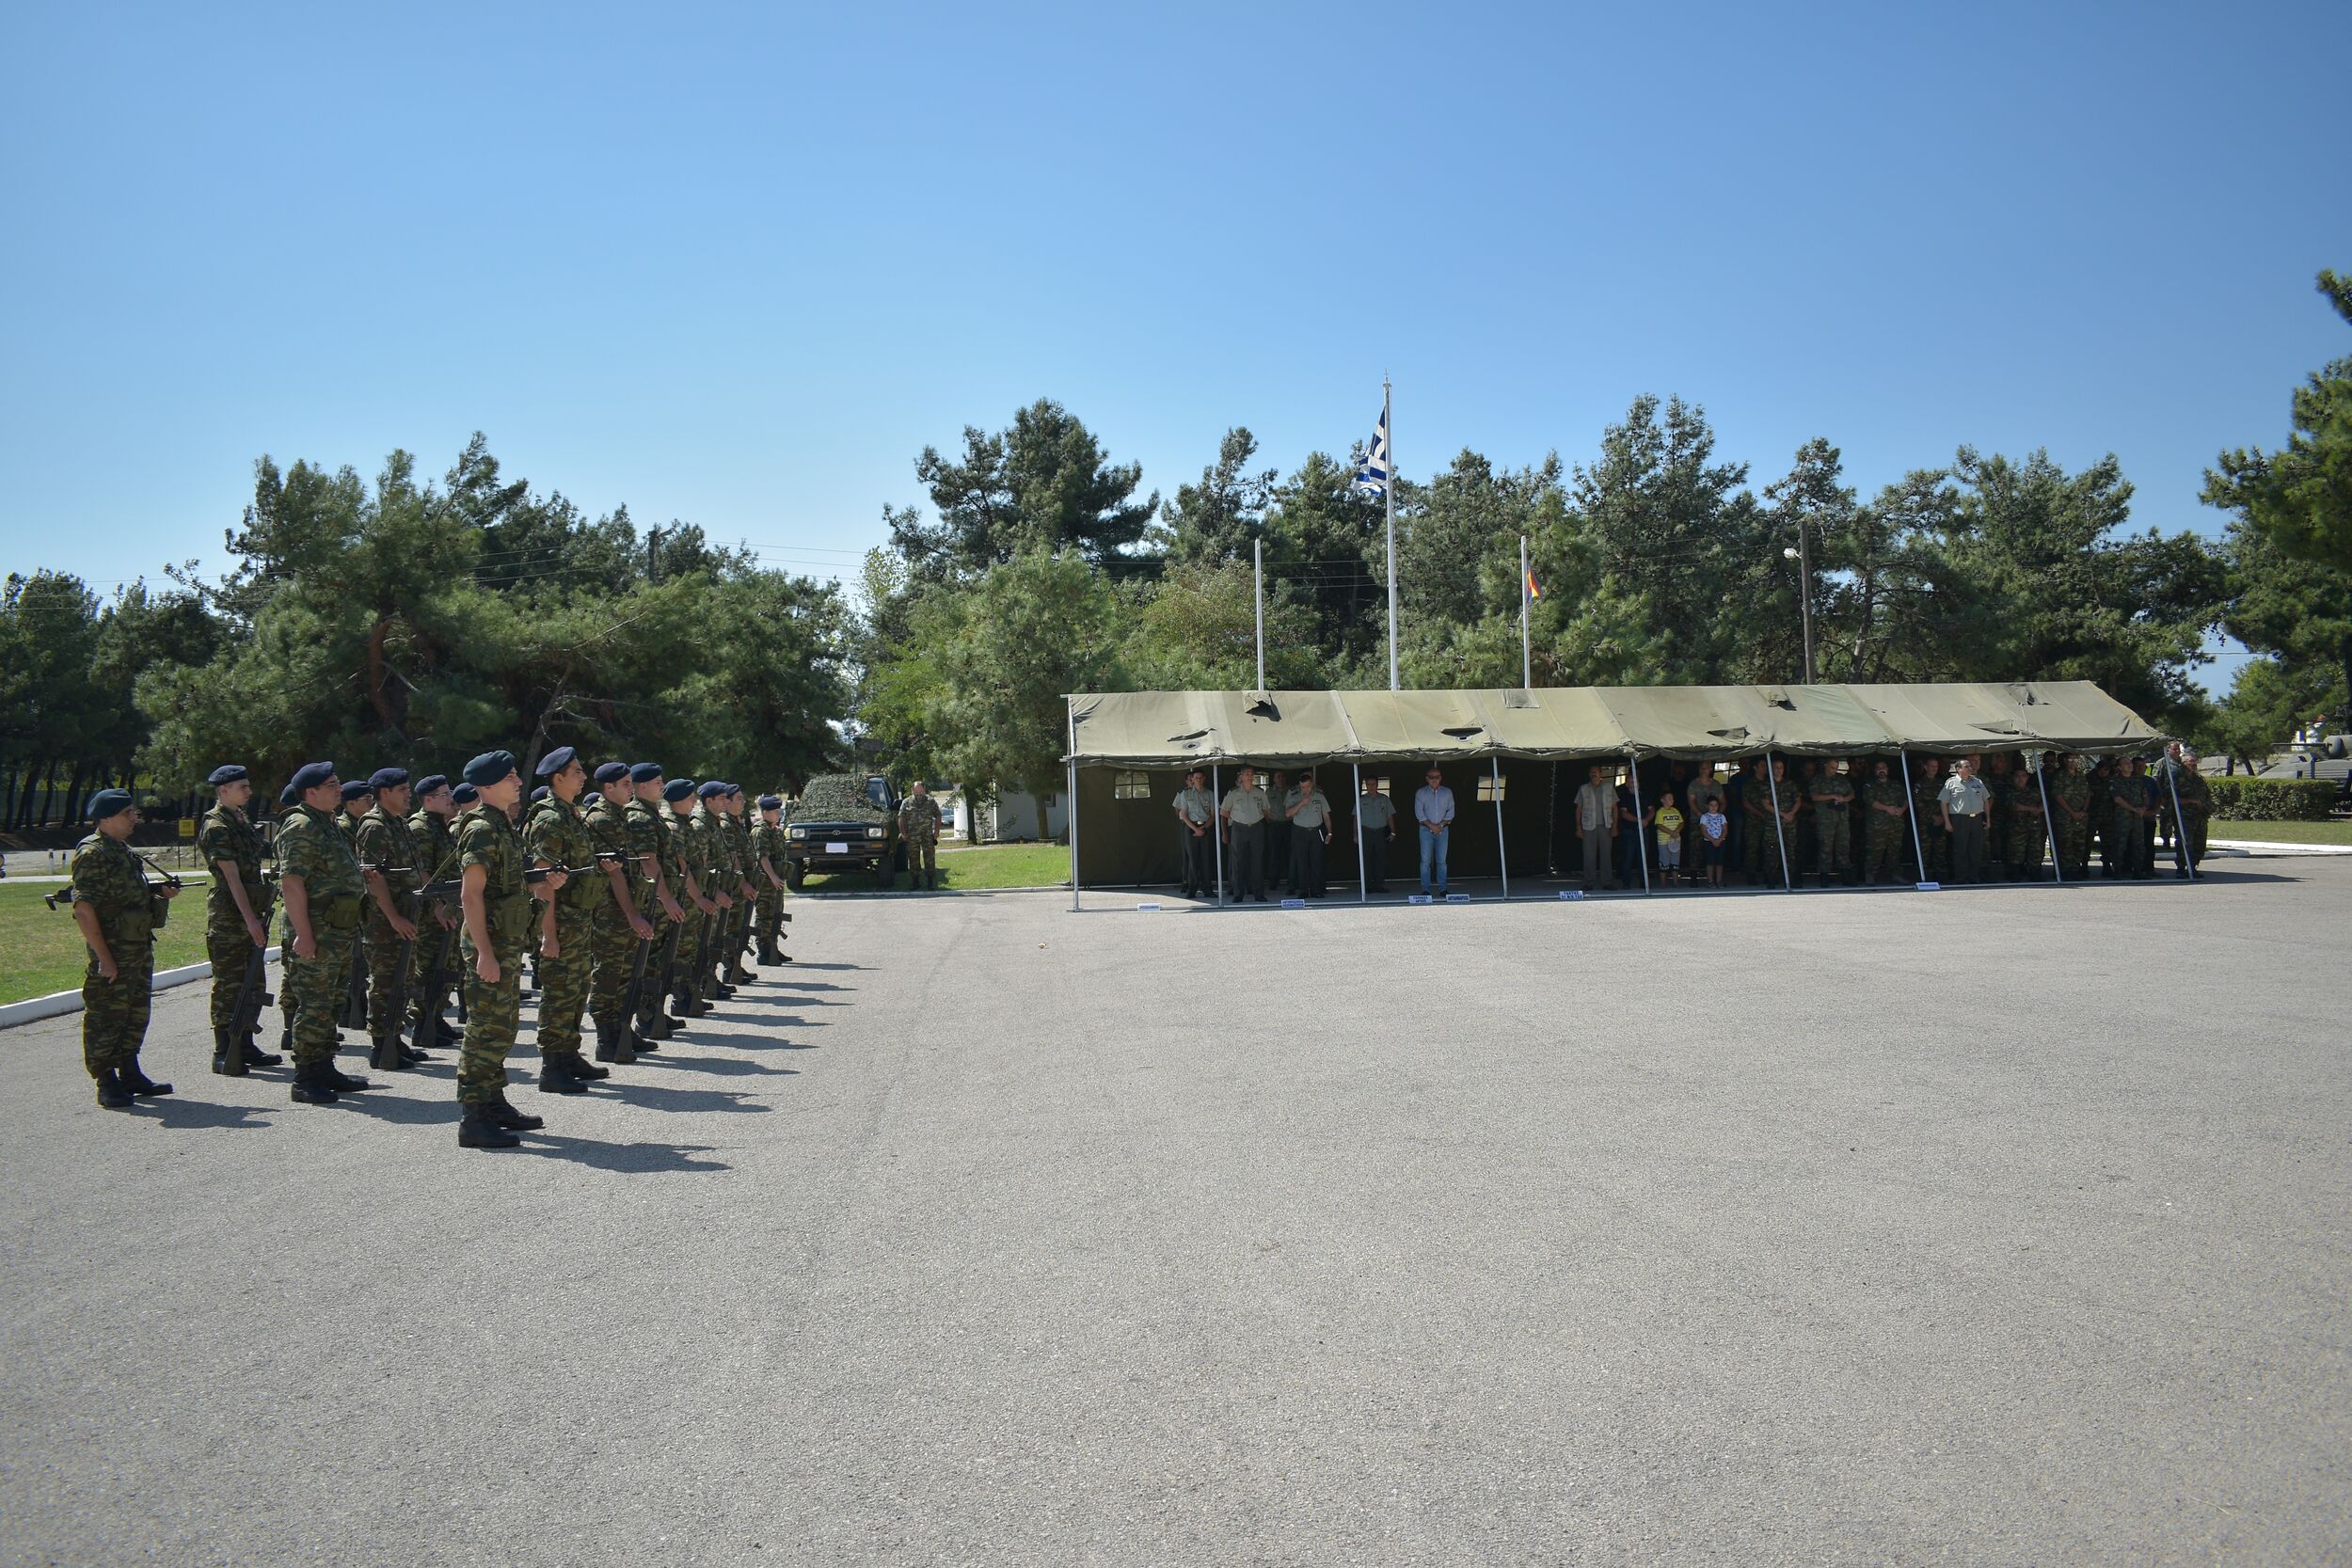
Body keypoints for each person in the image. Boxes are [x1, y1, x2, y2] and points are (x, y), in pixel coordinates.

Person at [452, 751, 558, 1148]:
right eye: (509, 776)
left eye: (516, 774)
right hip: (491, 943)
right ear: (487, 786)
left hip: (506, 940)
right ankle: (473, 1117)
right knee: (485, 1029)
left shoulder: (503, 824)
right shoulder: (481, 827)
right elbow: (471, 894)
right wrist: (484, 953)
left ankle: (493, 1102)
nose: (517, 781)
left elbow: (508, 884)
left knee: (503, 1026)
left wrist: (546, 882)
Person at [69, 789, 180, 1108]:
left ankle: (130, 1071)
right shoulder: (93, 854)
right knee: (106, 1016)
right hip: (113, 951)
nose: (135, 818)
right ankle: (106, 1080)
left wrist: (160, 894)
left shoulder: (124, 852)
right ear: (105, 819)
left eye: (134, 812)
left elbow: (129, 897)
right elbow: (84, 910)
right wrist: (104, 958)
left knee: (135, 1013)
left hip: (137, 948)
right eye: (127, 813)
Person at [276, 762, 375, 1104]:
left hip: (338, 930)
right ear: (311, 792)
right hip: (316, 931)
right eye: (332, 784)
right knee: (314, 1004)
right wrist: (303, 934)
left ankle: (324, 1066)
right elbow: (292, 883)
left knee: (332, 1002)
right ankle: (305, 1077)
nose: (339, 789)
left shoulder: (327, 823)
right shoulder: (301, 825)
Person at [198, 763, 280, 1074]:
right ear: (223, 791)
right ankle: (224, 1049)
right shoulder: (217, 825)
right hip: (230, 917)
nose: (248, 790)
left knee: (253, 980)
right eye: (241, 786)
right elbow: (231, 878)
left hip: (249, 910)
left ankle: (245, 1043)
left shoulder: (240, 819)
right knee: (230, 984)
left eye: (248, 785)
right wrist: (250, 921)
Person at [353, 767, 427, 1072]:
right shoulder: (374, 826)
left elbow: (417, 869)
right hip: (386, 921)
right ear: (384, 794)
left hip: (407, 913)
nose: (409, 794)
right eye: (402, 790)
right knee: (385, 982)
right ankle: (380, 1044)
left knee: (403, 979)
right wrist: (394, 916)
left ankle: (394, 1039)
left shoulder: (399, 823)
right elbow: (373, 878)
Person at [585, 761, 657, 1062]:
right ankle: (606, 1037)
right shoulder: (602, 819)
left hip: (624, 904)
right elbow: (614, 874)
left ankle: (621, 1029)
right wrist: (632, 915)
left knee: (625, 971)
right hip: (609, 910)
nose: (631, 788)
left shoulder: (619, 815)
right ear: (608, 787)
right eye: (626, 784)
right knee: (609, 974)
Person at [405, 774, 464, 1050]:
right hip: (431, 912)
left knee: (446, 965)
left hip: (447, 906)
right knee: (429, 967)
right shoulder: (420, 827)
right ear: (428, 799)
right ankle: (422, 1021)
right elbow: (422, 872)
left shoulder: (439, 824)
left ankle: (436, 1016)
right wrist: (438, 904)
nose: (450, 798)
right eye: (444, 794)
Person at [1219, 766, 1272, 902]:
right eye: (1247, 774)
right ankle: (1238, 893)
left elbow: (1266, 811)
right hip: (1239, 829)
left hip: (1256, 828)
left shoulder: (1260, 793)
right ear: (1241, 777)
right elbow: (1224, 813)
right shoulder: (1233, 793)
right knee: (1238, 862)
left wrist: (1263, 826)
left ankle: (1258, 893)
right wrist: (1225, 833)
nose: (1249, 776)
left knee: (1257, 861)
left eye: (1251, 774)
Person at [750, 794, 791, 962]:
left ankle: (773, 947)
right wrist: (773, 877)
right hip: (766, 881)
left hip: (777, 880)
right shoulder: (761, 830)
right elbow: (762, 857)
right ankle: (764, 950)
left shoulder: (775, 830)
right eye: (775, 811)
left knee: (775, 915)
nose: (778, 814)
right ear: (765, 812)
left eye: (778, 811)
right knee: (765, 914)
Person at [1938, 756, 1992, 884]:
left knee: (1976, 849)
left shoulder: (1978, 782)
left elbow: (1986, 801)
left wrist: (1988, 819)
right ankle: (1961, 878)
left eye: (1970, 766)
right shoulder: (1951, 783)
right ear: (1958, 769)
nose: (1970, 768)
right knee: (1960, 849)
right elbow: (1943, 803)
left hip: (1976, 818)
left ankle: (1974, 877)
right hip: (1959, 819)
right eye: (1966, 766)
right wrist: (1947, 821)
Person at [1282, 768, 1333, 897]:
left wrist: (1330, 833)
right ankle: (1304, 890)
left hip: (1316, 832)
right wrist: (1300, 803)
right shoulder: (1294, 796)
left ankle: (1316, 890)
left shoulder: (1319, 796)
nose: (1305, 789)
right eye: (1303, 787)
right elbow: (1287, 813)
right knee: (1301, 862)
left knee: (1316, 861)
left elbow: (1326, 816)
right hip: (1300, 831)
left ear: (1312, 784)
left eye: (1308, 786)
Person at [1860, 758, 1910, 885]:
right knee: (1874, 851)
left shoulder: (1896, 785)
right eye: (1878, 768)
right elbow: (1871, 802)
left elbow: (1906, 799)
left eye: (1883, 767)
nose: (1881, 770)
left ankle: (1896, 875)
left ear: (1887, 770)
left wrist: (1902, 809)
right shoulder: (1869, 786)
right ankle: (1870, 875)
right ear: (1875, 771)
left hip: (1896, 824)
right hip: (1877, 826)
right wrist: (1888, 809)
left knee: (1895, 851)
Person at [1170, 768, 1216, 898]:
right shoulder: (1186, 794)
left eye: (1201, 778)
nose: (1198, 780)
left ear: (1204, 779)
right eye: (1196, 778)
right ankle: (1192, 889)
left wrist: (1204, 829)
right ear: (1192, 780)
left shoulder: (1210, 794)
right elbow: (1183, 814)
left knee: (1206, 859)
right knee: (1193, 860)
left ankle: (1208, 889)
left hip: (1206, 827)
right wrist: (1196, 830)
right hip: (1191, 828)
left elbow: (1213, 815)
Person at [2108, 757, 2153, 879]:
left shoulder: (2138, 781)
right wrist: (2133, 809)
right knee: (2120, 844)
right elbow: (2117, 799)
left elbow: (2145, 796)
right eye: (2126, 764)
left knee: (2139, 844)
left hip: (2138, 818)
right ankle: (2118, 870)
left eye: (2130, 763)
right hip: (2122, 818)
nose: (2130, 766)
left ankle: (2138, 870)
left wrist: (2144, 808)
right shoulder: (2114, 781)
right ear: (2119, 767)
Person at [1414, 766, 1455, 896]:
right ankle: (1426, 889)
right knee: (1425, 861)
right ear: (1427, 779)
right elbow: (1419, 814)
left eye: (1437, 777)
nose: (1434, 780)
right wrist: (1432, 826)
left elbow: (1451, 811)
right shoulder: (1420, 793)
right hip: (1426, 830)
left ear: (1441, 778)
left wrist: (1441, 826)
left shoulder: (1447, 792)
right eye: (1431, 777)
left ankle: (1443, 889)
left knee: (1441, 861)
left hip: (1443, 831)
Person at [1573, 764, 1614, 890]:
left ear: (1601, 773)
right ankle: (1589, 882)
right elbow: (1578, 809)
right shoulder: (1583, 788)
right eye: (1591, 772)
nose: (1593, 774)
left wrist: (1615, 826)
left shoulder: (1608, 787)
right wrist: (1578, 827)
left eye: (1595, 772)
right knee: (1589, 855)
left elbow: (1615, 808)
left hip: (1606, 825)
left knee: (1606, 855)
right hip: (1588, 826)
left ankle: (1607, 882)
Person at [2007, 759, 2048, 881]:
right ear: (2013, 778)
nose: (2020, 779)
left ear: (2027, 777)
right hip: (2017, 828)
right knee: (2016, 852)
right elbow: (2013, 805)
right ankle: (2015, 874)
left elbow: (2045, 802)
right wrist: (2032, 809)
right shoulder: (2010, 792)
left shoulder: (2035, 791)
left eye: (2023, 776)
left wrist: (2039, 809)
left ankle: (2035, 874)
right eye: (2017, 776)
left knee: (2035, 851)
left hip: (2034, 827)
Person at [2169, 752, 2210, 878]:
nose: (2193, 764)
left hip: (2200, 816)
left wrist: (2207, 806)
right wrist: (2190, 801)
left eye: (2195, 762)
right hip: (2184, 816)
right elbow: (2171, 797)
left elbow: (2207, 795)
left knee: (2199, 844)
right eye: (2190, 762)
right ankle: (2181, 868)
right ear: (2184, 763)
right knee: (2184, 842)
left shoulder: (2198, 779)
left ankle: (2192, 867)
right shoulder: (2176, 777)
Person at [1740, 759, 1779, 887]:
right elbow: (1745, 803)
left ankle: (1769, 874)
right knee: (1752, 848)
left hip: (1769, 822)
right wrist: (1760, 814)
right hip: (1753, 822)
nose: (1765, 768)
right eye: (1762, 765)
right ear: (1755, 768)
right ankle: (1751, 874)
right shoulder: (1749, 784)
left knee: (1769, 849)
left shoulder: (1770, 783)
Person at [2052, 753, 2091, 879]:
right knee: (2065, 844)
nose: (2073, 762)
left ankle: (2075, 868)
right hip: (2065, 817)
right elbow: (2058, 796)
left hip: (2081, 816)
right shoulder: (2060, 776)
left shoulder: (2081, 776)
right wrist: (2072, 812)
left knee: (2079, 844)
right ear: (2064, 761)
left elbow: (2088, 794)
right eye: (2070, 759)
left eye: (2076, 759)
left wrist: (2083, 811)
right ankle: (2066, 870)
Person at [1355, 774, 1396, 894]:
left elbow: (1390, 816)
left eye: (1373, 784)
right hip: (1366, 832)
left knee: (1380, 859)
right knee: (1366, 859)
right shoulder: (1361, 800)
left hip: (1380, 832)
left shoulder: (1384, 799)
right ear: (1365, 786)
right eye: (1368, 784)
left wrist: (1393, 832)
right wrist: (1355, 834)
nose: (1371, 786)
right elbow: (1356, 818)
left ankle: (1379, 885)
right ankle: (1366, 886)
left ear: (1377, 785)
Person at [898, 780, 943, 891]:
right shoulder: (906, 802)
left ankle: (930, 882)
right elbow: (901, 818)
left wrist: (936, 831)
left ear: (924, 789)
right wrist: (903, 833)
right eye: (916, 790)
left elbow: (938, 815)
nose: (918, 792)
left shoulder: (930, 801)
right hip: (912, 836)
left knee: (929, 858)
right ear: (912, 790)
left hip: (927, 835)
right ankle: (915, 881)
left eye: (920, 790)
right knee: (913, 859)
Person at [1912, 756, 1950, 883]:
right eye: (1932, 766)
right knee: (1925, 851)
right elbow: (1919, 804)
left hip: (1941, 820)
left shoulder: (1942, 783)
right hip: (1926, 822)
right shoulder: (1919, 784)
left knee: (1940, 850)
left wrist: (1942, 818)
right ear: (1926, 767)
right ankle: (1924, 878)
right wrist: (1933, 817)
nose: (1934, 769)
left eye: (1936, 766)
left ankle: (1940, 878)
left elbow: (1948, 801)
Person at [1684, 766, 1724, 879]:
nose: (1703, 770)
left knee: (1714, 849)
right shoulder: (1694, 784)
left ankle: (1713, 877)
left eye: (1706, 768)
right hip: (1697, 820)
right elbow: (1691, 801)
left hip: (1714, 824)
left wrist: (1716, 817)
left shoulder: (1716, 784)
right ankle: (1693, 874)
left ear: (1710, 769)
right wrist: (1700, 815)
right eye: (1701, 768)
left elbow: (1723, 801)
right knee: (1695, 847)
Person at [1652, 790, 1684, 883]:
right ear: (1662, 800)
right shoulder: (1660, 812)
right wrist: (1671, 832)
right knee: (1664, 862)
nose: (1672, 800)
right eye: (1669, 798)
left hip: (1676, 841)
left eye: (1672, 798)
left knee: (1675, 862)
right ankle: (1663, 883)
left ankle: (1675, 882)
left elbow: (1681, 822)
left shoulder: (1676, 811)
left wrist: (1677, 830)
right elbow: (1659, 825)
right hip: (1664, 841)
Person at [1698, 796, 1729, 888]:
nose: (1713, 807)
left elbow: (1725, 830)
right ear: (1707, 806)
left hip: (1721, 841)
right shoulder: (1704, 817)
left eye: (1716, 805)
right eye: (1711, 805)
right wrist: (1713, 841)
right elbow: (1704, 831)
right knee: (1710, 862)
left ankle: (1718, 881)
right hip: (1709, 842)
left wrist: (1719, 840)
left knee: (1719, 862)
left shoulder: (1722, 816)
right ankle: (1710, 881)